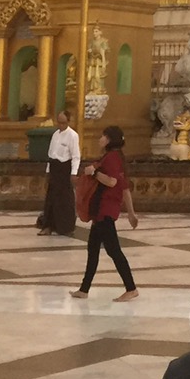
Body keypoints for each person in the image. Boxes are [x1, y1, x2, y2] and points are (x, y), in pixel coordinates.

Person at [71, 125, 139, 300]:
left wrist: (94, 173)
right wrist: (131, 213)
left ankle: (131, 288)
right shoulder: (117, 157)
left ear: (109, 139)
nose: (100, 139)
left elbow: (112, 182)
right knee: (93, 249)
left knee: (113, 250)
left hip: (104, 210)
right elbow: (124, 188)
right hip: (102, 211)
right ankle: (84, 289)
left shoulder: (111, 158)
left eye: (103, 136)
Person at [37, 109, 80, 237]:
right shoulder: (55, 135)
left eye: (63, 123)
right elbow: (51, 154)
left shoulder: (73, 135)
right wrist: (48, 171)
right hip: (54, 168)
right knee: (51, 199)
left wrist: (74, 173)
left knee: (65, 200)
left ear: (68, 122)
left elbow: (76, 156)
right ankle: (48, 226)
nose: (60, 125)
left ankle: (65, 227)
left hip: (65, 169)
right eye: (59, 122)